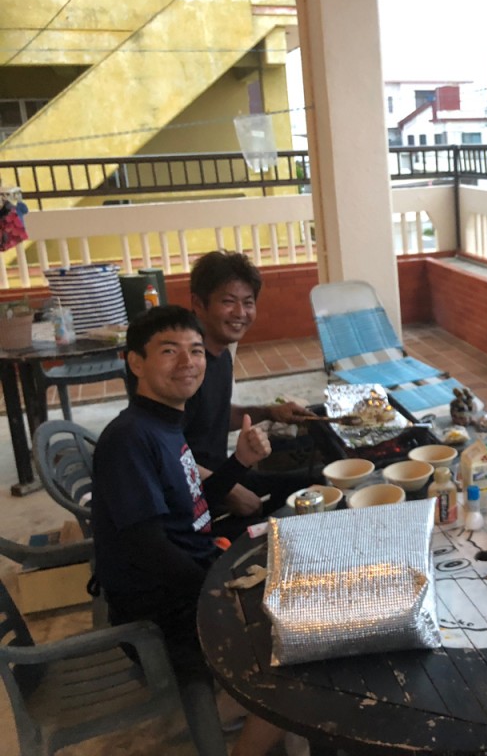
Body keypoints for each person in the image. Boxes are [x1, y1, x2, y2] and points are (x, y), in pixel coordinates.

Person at [91, 305, 282, 756]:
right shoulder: (128, 439)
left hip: (188, 579)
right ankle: (245, 719)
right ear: (136, 362)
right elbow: (147, 547)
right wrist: (221, 592)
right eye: (169, 351)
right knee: (298, 644)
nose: (188, 362)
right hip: (161, 615)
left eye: (195, 351)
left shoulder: (163, 423)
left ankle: (224, 710)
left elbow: (193, 508)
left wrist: (240, 462)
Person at [185, 251, 319, 538]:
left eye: (248, 303)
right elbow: (167, 454)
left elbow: (216, 415)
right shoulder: (186, 370)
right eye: (228, 301)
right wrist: (232, 491)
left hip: (223, 475)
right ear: (198, 303)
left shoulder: (221, 355)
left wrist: (270, 412)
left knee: (317, 487)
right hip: (194, 501)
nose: (240, 313)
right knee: (295, 521)